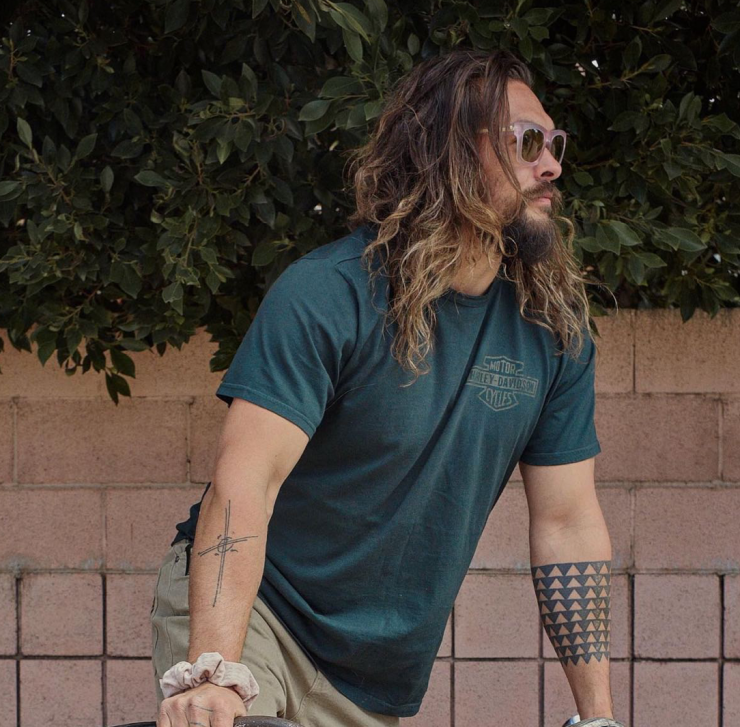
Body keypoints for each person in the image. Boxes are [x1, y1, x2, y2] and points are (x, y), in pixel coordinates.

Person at [151, 48, 622, 727]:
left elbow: (567, 522)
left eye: (554, 144)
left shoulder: (552, 330)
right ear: (450, 153)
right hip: (256, 616)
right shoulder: (330, 294)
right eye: (526, 142)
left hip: (372, 676)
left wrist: (597, 718)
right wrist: (215, 671)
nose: (550, 165)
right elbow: (245, 482)